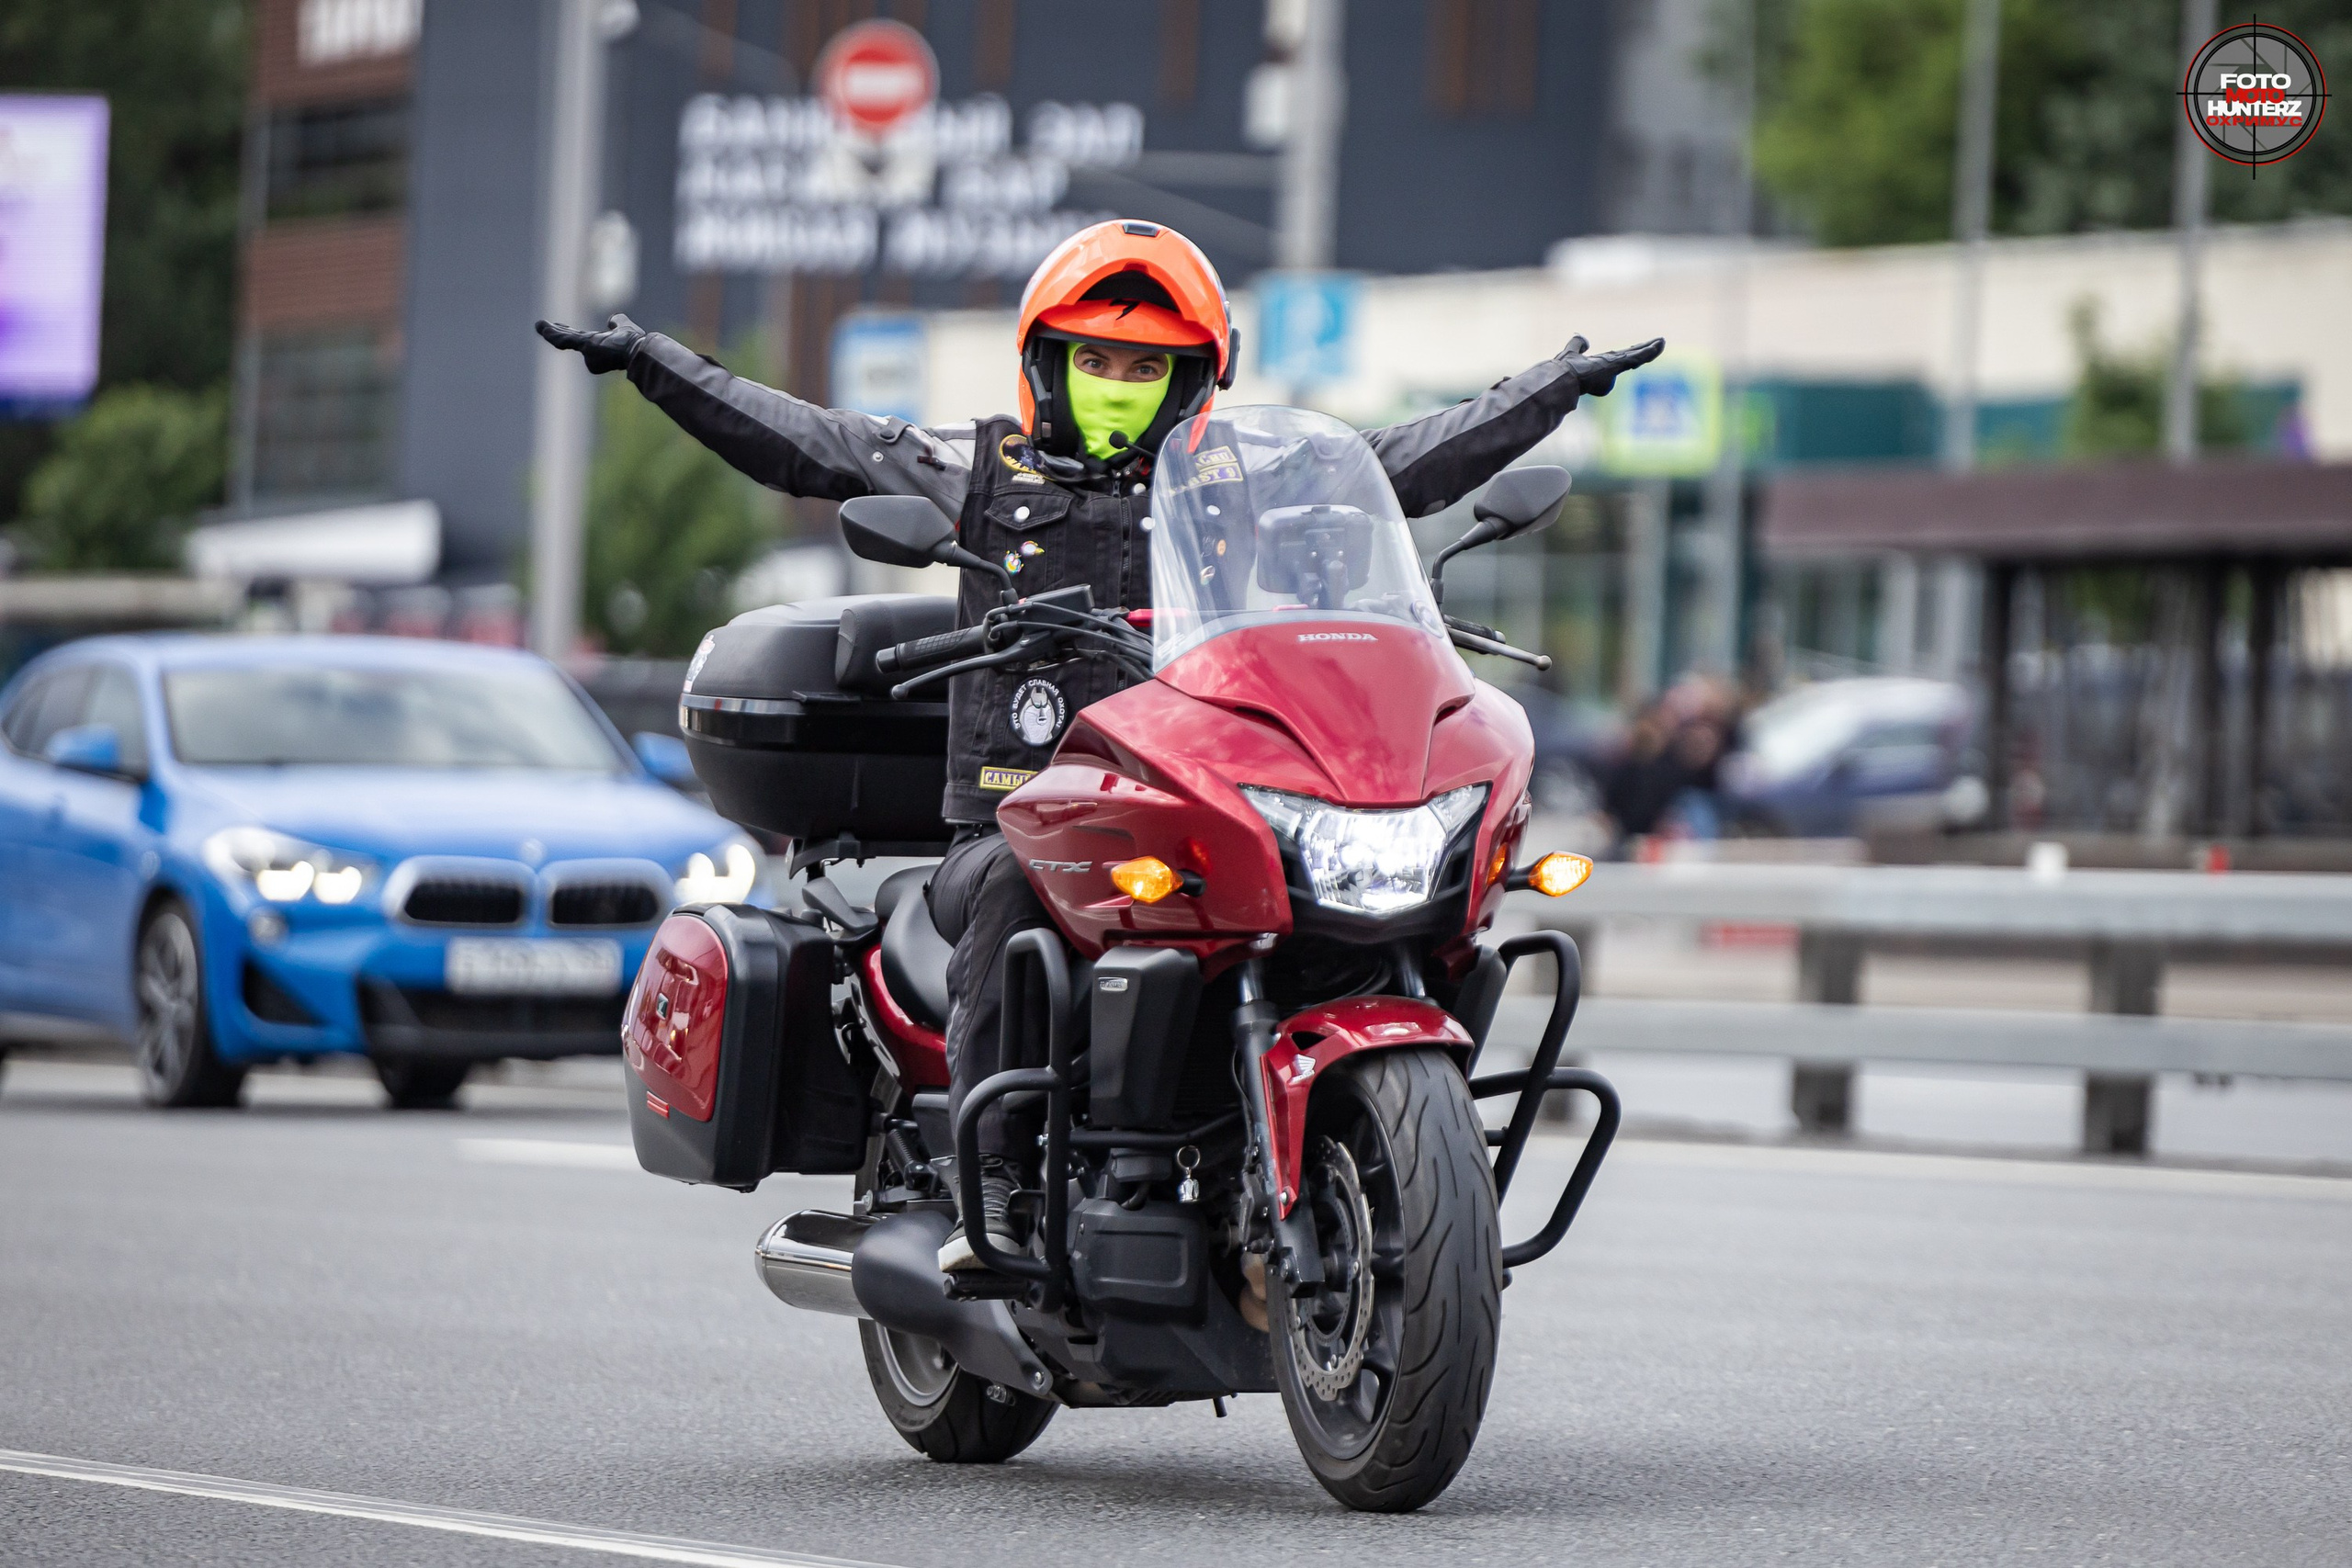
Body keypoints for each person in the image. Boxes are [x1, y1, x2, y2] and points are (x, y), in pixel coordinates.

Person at [538, 220, 1663, 1268]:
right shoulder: (970, 468)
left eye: (1144, 366)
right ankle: (992, 1185)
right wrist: (655, 364)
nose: (1118, 382)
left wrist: (1546, 392)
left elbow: (1401, 463)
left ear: (1193, 378)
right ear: (1048, 364)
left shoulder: (1244, 482)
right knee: (1012, 888)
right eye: (1096, 360)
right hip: (1023, 818)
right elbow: (813, 445)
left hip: (1186, 803)